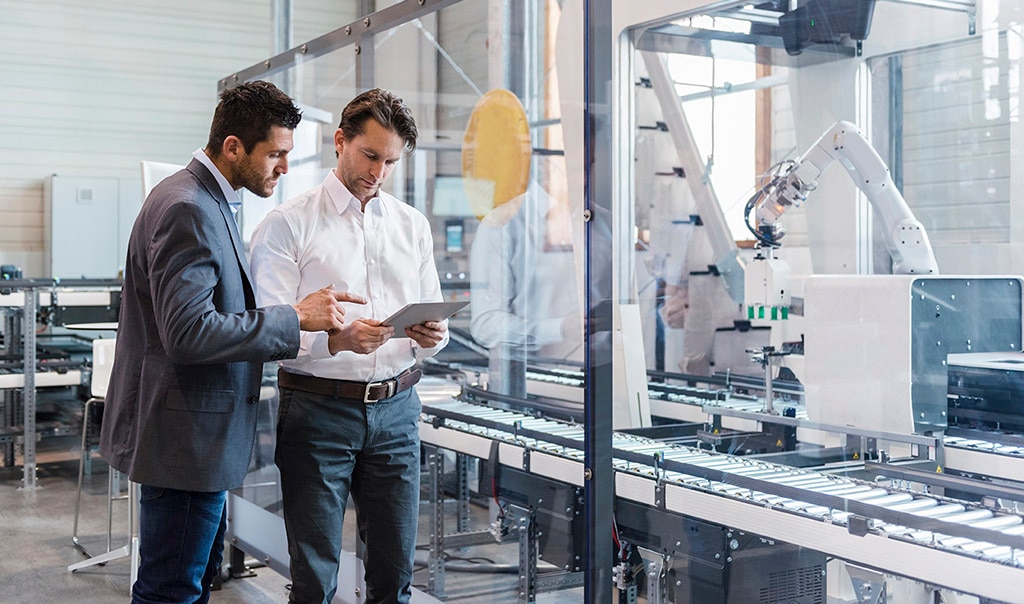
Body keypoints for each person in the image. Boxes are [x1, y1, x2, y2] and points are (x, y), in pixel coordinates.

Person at [98, 80, 362, 604]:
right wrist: (295, 318)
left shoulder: (201, 198)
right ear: (234, 147)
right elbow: (189, 332)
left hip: (192, 436)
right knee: (170, 589)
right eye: (276, 154)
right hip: (186, 439)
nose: (284, 167)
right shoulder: (188, 208)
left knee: (185, 582)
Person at [249, 88, 448, 604]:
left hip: (398, 410)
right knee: (314, 576)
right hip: (318, 413)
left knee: (394, 570)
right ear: (341, 141)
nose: (379, 171)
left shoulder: (412, 225)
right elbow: (269, 337)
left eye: (391, 161)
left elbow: (433, 317)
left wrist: (433, 336)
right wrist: (336, 341)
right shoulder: (287, 224)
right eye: (370, 155)